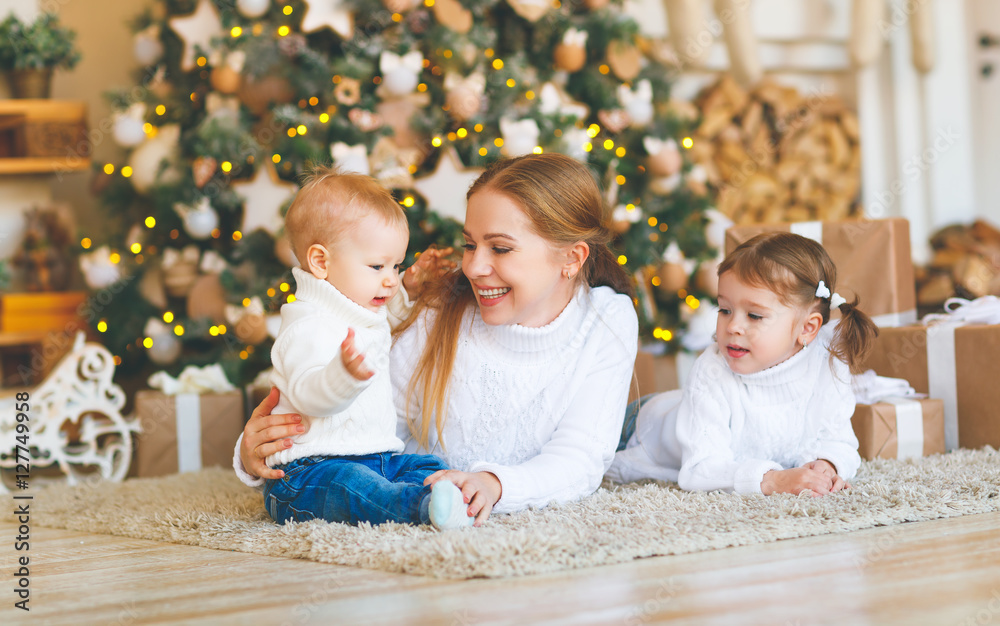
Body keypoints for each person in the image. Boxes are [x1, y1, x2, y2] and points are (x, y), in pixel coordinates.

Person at [236, 153, 639, 525]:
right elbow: (361, 425)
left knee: (648, 422)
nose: (475, 266)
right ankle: (422, 507)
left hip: (447, 486)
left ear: (571, 258)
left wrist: (495, 484)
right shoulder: (439, 307)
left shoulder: (606, 320)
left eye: (500, 248)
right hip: (358, 470)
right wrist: (254, 449)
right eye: (469, 244)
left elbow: (580, 457)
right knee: (351, 483)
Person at [241, 166, 472, 530]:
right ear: (321, 262)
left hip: (376, 455)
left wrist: (408, 288)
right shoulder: (307, 324)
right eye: (377, 265)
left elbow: (389, 323)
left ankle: (439, 495)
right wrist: (342, 376)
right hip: (306, 471)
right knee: (350, 486)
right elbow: (310, 395)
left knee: (427, 465)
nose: (390, 279)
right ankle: (420, 507)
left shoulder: (361, 310)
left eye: (396, 265)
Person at [608, 232, 878, 496]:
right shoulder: (712, 371)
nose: (733, 326)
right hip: (638, 426)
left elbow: (839, 438)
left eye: (754, 316)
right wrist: (773, 480)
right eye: (724, 310)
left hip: (686, 407)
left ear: (807, 328)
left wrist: (828, 464)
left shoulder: (828, 365)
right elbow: (701, 469)